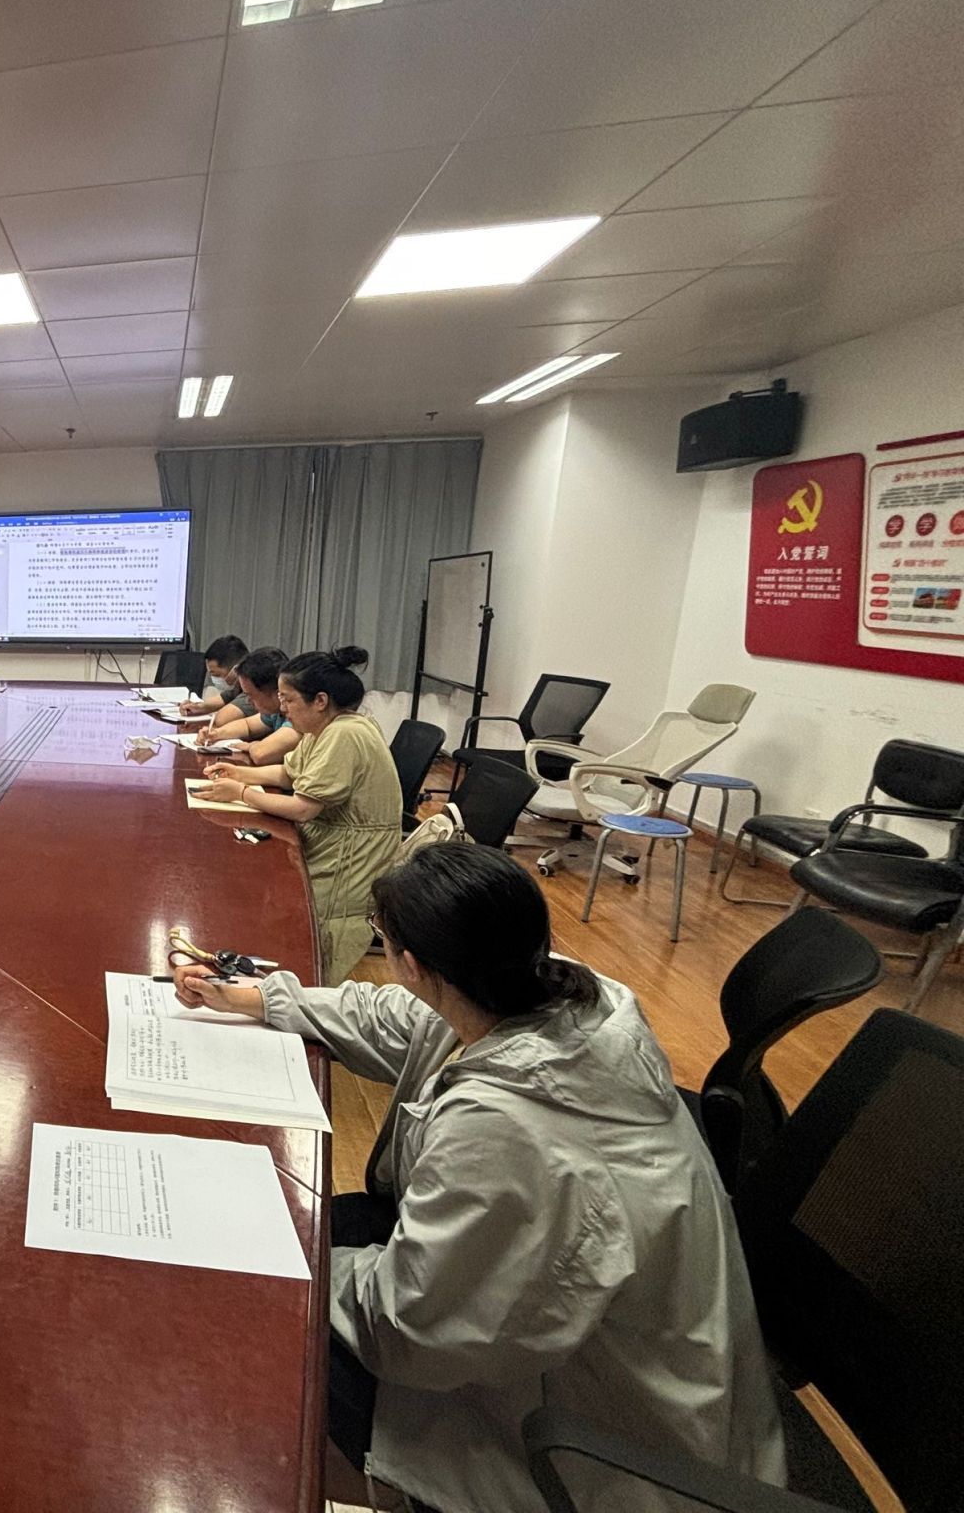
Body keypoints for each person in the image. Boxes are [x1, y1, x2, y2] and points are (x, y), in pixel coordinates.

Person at [171, 844, 786, 1513]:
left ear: (411, 964)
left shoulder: (510, 1132)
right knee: (310, 1227)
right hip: (583, 1337)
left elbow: (409, 1332)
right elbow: (399, 1020)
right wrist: (262, 998)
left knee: (251, 1316)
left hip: (609, 1442)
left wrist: (299, 1262)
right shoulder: (552, 994)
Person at [193, 647, 398, 977]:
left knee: (306, 948)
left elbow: (303, 808)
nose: (283, 708)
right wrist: (240, 773)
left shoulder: (345, 733)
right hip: (326, 841)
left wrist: (242, 793)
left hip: (347, 862)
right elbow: (288, 774)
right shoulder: (324, 728)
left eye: (288, 699)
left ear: (320, 701)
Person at [177, 635, 249, 719]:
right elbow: (224, 698)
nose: (214, 679)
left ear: (235, 670)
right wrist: (196, 707)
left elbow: (223, 718)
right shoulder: (237, 688)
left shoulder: (253, 691)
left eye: (217, 675)